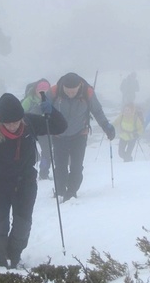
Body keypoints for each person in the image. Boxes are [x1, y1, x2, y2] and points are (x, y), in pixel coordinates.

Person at [0, 93, 67, 269]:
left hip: (25, 182)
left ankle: (14, 256)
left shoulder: (29, 123)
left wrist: (51, 111)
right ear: (0, 120)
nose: (13, 126)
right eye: (8, 122)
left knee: (23, 225)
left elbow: (60, 126)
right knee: (0, 225)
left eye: (16, 121)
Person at [47, 72, 115, 202]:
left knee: (76, 166)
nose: (71, 94)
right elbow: (43, 108)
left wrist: (106, 126)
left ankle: (72, 191)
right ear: (63, 87)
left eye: (73, 92)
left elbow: (97, 111)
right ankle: (60, 190)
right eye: (68, 92)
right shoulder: (54, 91)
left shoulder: (87, 92)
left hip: (79, 134)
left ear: (79, 86)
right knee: (60, 165)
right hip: (58, 135)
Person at [21, 79, 53, 179]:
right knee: (29, 151)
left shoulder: (50, 100)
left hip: (44, 131)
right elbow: (20, 114)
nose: (42, 93)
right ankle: (28, 172)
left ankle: (43, 172)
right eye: (40, 90)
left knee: (47, 152)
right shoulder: (29, 100)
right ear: (36, 90)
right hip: (30, 130)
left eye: (45, 90)